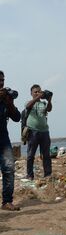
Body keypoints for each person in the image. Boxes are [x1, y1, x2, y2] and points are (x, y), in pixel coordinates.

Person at [0, 71, 21, 211]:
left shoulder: (5, 99)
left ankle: (7, 201)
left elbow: (17, 117)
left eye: (2, 80)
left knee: (9, 169)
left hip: (3, 139)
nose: (1, 83)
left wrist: (9, 103)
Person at [25, 84, 52, 180]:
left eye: (39, 91)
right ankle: (29, 175)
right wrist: (38, 97)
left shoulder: (43, 103)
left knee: (46, 155)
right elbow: (28, 106)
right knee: (30, 155)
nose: (37, 93)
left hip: (44, 131)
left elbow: (49, 109)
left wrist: (49, 100)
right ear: (31, 93)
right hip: (33, 131)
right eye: (35, 92)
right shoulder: (29, 102)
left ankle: (48, 174)